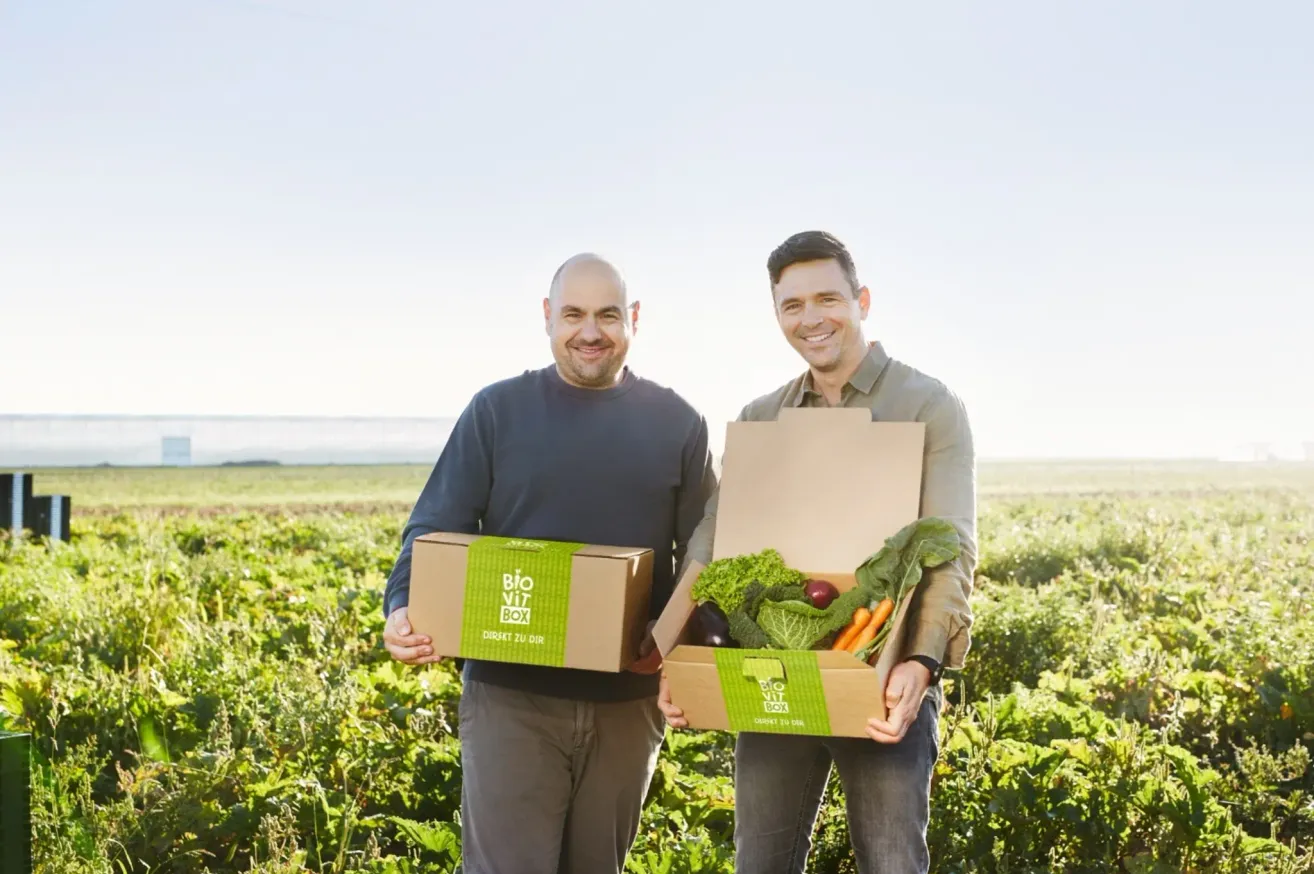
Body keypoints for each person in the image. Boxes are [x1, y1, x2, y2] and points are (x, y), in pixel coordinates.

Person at [382, 253, 718, 874]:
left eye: (608, 315)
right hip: (512, 697)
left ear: (634, 320)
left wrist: (678, 645)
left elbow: (707, 550)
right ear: (547, 317)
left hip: (627, 701)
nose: (590, 331)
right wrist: (401, 604)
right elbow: (434, 524)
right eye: (573, 314)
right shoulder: (496, 411)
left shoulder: (678, 423)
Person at [657, 230, 977, 874]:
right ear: (777, 315)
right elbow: (714, 539)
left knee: (891, 860)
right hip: (774, 669)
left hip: (884, 673)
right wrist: (675, 649)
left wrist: (920, 659)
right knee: (761, 861)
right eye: (792, 305)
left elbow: (950, 548)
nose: (812, 319)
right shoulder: (763, 417)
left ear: (861, 299)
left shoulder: (929, 406)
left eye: (827, 298)